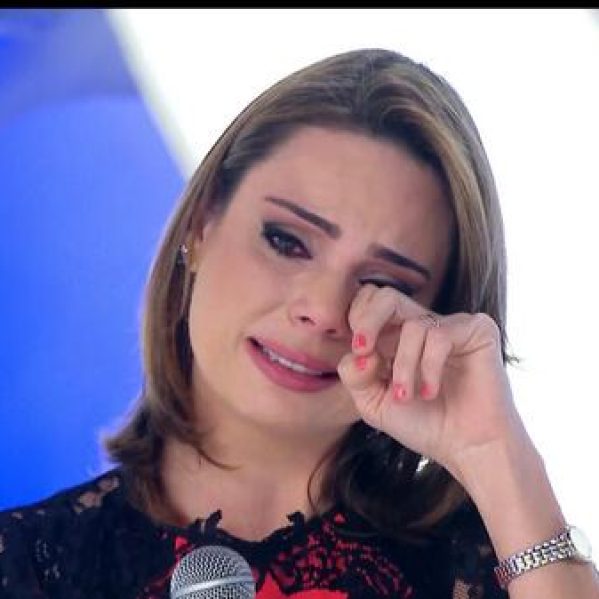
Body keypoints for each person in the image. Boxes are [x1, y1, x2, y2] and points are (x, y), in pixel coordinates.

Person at [0, 47, 597, 599]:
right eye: (287, 241)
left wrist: (495, 454)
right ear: (201, 226)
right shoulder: (27, 563)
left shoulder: (499, 569)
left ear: (435, 319)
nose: (324, 310)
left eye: (384, 284)